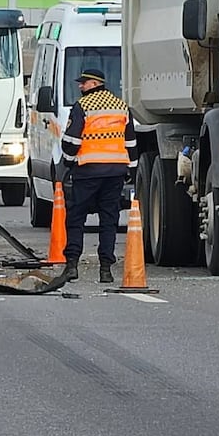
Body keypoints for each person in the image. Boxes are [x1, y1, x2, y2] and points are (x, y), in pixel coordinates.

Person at [60, 68, 138, 283]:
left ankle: (72, 265)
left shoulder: (83, 106)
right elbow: (130, 141)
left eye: (83, 83)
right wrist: (131, 168)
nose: (80, 86)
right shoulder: (121, 106)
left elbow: (72, 140)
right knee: (109, 220)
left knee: (76, 218)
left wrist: (67, 162)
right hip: (115, 172)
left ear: (94, 84)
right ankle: (106, 269)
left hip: (87, 171)